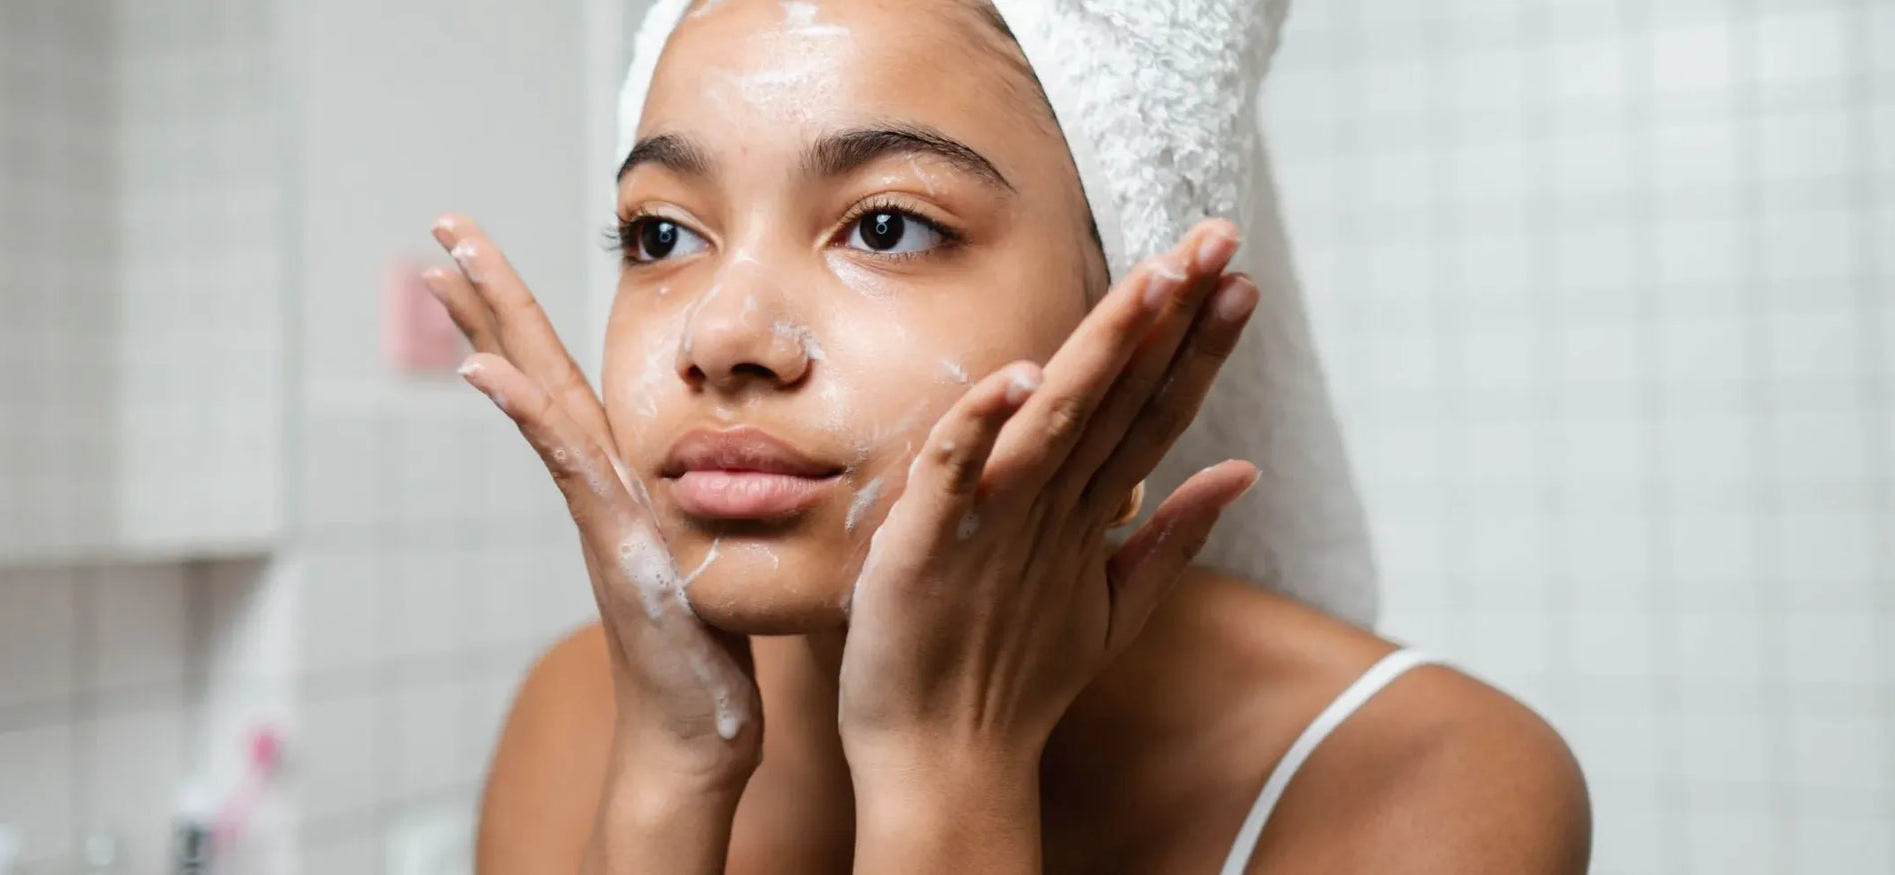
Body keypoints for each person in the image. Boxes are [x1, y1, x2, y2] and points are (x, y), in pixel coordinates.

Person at [425, 1, 1591, 871]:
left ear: (1139, 314)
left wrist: (946, 769)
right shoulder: (584, 722)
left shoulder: (1417, 782)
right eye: (662, 235)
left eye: (886, 224)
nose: (723, 333)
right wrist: (668, 781)